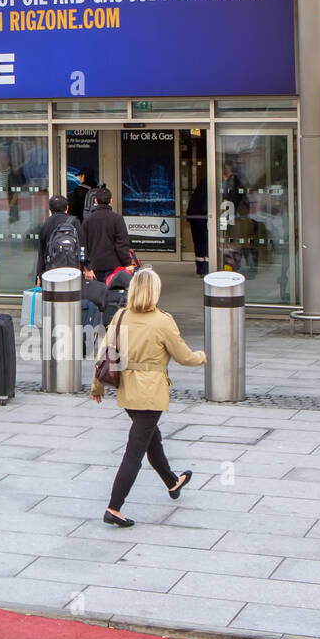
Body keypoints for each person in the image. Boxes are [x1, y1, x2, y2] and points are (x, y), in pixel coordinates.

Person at [91, 267, 205, 527]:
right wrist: (202, 357)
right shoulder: (162, 321)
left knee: (151, 438)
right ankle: (114, 507)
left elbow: (104, 355)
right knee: (135, 450)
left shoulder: (120, 317)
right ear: (154, 292)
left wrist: (97, 387)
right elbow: (184, 356)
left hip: (127, 390)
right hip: (151, 392)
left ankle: (172, 482)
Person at [83, 186, 131, 282]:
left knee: (97, 295)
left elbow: (83, 245)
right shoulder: (117, 219)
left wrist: (87, 268)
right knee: (113, 294)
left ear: (95, 201)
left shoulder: (88, 220)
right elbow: (121, 244)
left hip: (94, 267)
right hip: (114, 266)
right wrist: (127, 263)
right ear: (111, 201)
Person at [36, 194, 84, 282]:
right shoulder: (74, 222)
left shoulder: (46, 224)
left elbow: (41, 252)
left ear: (50, 209)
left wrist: (39, 273)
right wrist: (87, 266)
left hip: (52, 270)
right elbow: (82, 246)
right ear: (67, 207)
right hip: (73, 270)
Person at [186, 170, 209, 275]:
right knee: (205, 242)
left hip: (194, 217)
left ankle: (200, 268)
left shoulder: (201, 185)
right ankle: (205, 267)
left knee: (198, 242)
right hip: (202, 217)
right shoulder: (208, 184)